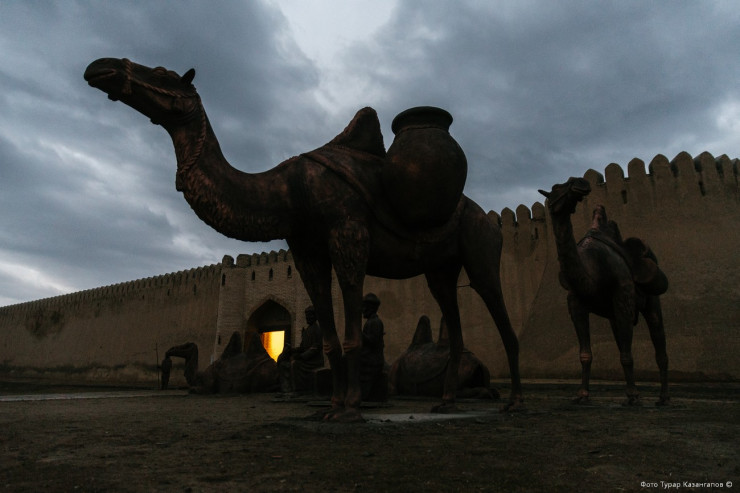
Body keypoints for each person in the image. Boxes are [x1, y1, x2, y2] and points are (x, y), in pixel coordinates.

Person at [278, 306, 324, 393]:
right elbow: (302, 347)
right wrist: (292, 350)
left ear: (315, 316)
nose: (308, 318)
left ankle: (299, 389)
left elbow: (315, 348)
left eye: (310, 316)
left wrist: (302, 356)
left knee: (295, 364)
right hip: (306, 359)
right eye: (307, 316)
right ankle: (286, 388)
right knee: (284, 364)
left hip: (313, 361)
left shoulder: (317, 330)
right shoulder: (307, 330)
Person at [359, 293, 386, 400]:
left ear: (370, 308)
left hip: (372, 359)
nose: (362, 310)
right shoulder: (370, 322)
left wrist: (360, 334)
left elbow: (373, 342)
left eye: (364, 307)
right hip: (368, 356)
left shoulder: (375, 322)